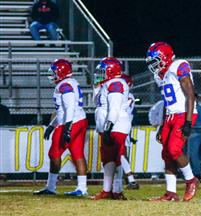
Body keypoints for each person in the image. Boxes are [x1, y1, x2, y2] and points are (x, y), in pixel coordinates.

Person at [146, 42, 200, 201]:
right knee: (166, 153)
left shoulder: (179, 66)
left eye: (156, 61)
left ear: (165, 57)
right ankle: (171, 193)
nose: (154, 66)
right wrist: (163, 124)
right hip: (170, 115)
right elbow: (166, 102)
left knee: (174, 149)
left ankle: (191, 180)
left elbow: (190, 95)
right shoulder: (161, 75)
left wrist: (188, 122)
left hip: (183, 113)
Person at [34, 59, 88, 196]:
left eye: (54, 72)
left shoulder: (64, 85)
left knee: (54, 153)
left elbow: (69, 107)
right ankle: (82, 188)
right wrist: (52, 125)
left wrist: (67, 126)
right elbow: (63, 110)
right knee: (77, 154)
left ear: (62, 72)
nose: (52, 75)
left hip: (70, 122)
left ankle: (51, 187)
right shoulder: (71, 82)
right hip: (79, 119)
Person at [91, 57, 131, 200]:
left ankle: (114, 190)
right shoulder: (109, 83)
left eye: (103, 71)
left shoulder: (116, 83)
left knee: (114, 157)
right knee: (110, 158)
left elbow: (114, 107)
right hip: (110, 124)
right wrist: (96, 87)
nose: (99, 74)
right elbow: (98, 103)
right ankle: (111, 190)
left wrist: (108, 127)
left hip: (116, 124)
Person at [120, 74, 140, 190]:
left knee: (120, 153)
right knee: (122, 153)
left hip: (120, 125)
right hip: (125, 125)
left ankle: (130, 179)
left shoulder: (125, 95)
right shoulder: (130, 95)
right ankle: (127, 179)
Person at [188, 96, 201, 178]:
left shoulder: (199, 109)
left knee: (194, 155)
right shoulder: (188, 108)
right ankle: (193, 172)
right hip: (189, 134)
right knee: (189, 155)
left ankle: (197, 173)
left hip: (196, 134)